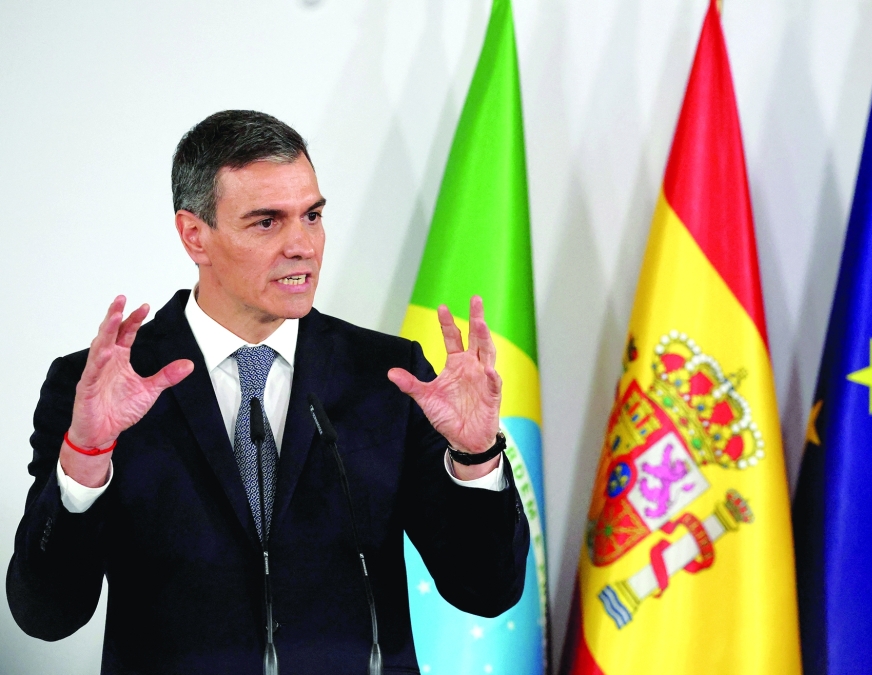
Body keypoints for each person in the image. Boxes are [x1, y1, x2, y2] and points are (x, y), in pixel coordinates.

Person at [6, 110, 529, 674]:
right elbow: (46, 615)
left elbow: (486, 591)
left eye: (312, 215)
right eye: (266, 222)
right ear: (194, 235)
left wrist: (476, 457)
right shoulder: (102, 387)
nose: (302, 245)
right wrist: (86, 459)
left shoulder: (387, 375)